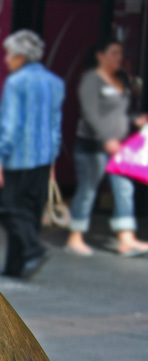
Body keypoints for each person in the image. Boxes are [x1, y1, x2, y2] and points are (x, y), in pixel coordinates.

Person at [0, 30, 64, 278]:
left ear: (21, 56)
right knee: (29, 211)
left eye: (9, 54)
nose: (6, 60)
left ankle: (33, 250)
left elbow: (9, 125)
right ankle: (15, 267)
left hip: (17, 159)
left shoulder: (16, 82)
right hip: (42, 158)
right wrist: (52, 156)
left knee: (6, 207)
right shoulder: (55, 82)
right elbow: (55, 124)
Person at [65, 39, 148, 257]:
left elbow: (121, 111)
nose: (118, 58)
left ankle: (126, 237)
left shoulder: (119, 80)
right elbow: (91, 113)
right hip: (92, 146)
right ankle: (75, 236)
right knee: (88, 190)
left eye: (120, 54)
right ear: (100, 56)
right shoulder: (91, 80)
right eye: (113, 53)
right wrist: (106, 138)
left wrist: (136, 119)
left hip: (117, 149)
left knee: (124, 189)